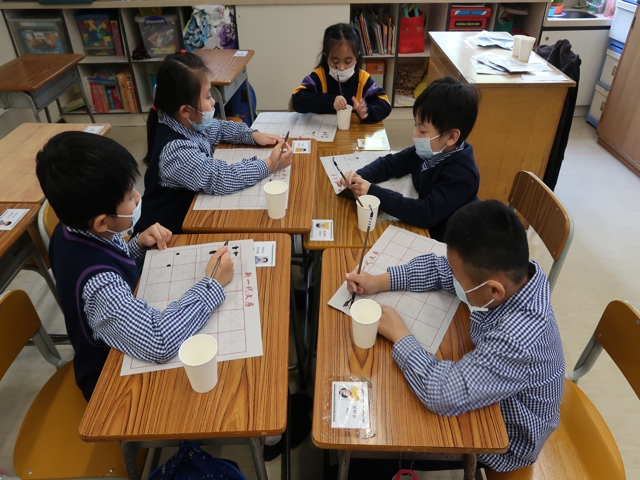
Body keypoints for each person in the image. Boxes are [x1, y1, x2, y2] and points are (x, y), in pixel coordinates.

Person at [345, 200, 565, 474]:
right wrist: (379, 281)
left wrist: (399, 334)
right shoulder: (517, 273)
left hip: (508, 437)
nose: (453, 279)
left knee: (384, 435)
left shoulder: (519, 338)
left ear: (494, 291)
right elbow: (441, 269)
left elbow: (441, 393)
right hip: (495, 387)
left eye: (460, 281)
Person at [36, 132, 235, 402]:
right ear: (102, 222)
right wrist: (212, 284)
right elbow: (159, 341)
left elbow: (110, 260)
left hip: (123, 339)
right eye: (130, 197)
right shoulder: (99, 285)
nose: (139, 198)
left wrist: (137, 245)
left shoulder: (72, 227)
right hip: (111, 381)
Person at [136, 51, 292, 234]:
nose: (213, 103)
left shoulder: (186, 121)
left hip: (190, 212)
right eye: (208, 97)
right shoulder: (176, 151)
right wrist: (270, 163)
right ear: (185, 110)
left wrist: (252, 135)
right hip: (168, 234)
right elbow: (220, 178)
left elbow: (219, 128)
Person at [337, 76, 480, 241]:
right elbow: (392, 163)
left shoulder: (463, 174)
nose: (415, 134)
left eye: (423, 131)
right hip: (422, 228)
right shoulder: (431, 150)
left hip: (446, 240)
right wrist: (361, 175)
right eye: (415, 126)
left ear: (452, 136)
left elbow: (426, 213)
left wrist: (373, 191)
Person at [291, 23, 391, 123]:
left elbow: (385, 104)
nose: (341, 68)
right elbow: (297, 100)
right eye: (335, 61)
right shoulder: (319, 77)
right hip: (323, 129)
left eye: (348, 61)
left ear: (357, 57)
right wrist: (330, 101)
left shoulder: (363, 79)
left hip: (353, 130)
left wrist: (367, 111)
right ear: (326, 56)